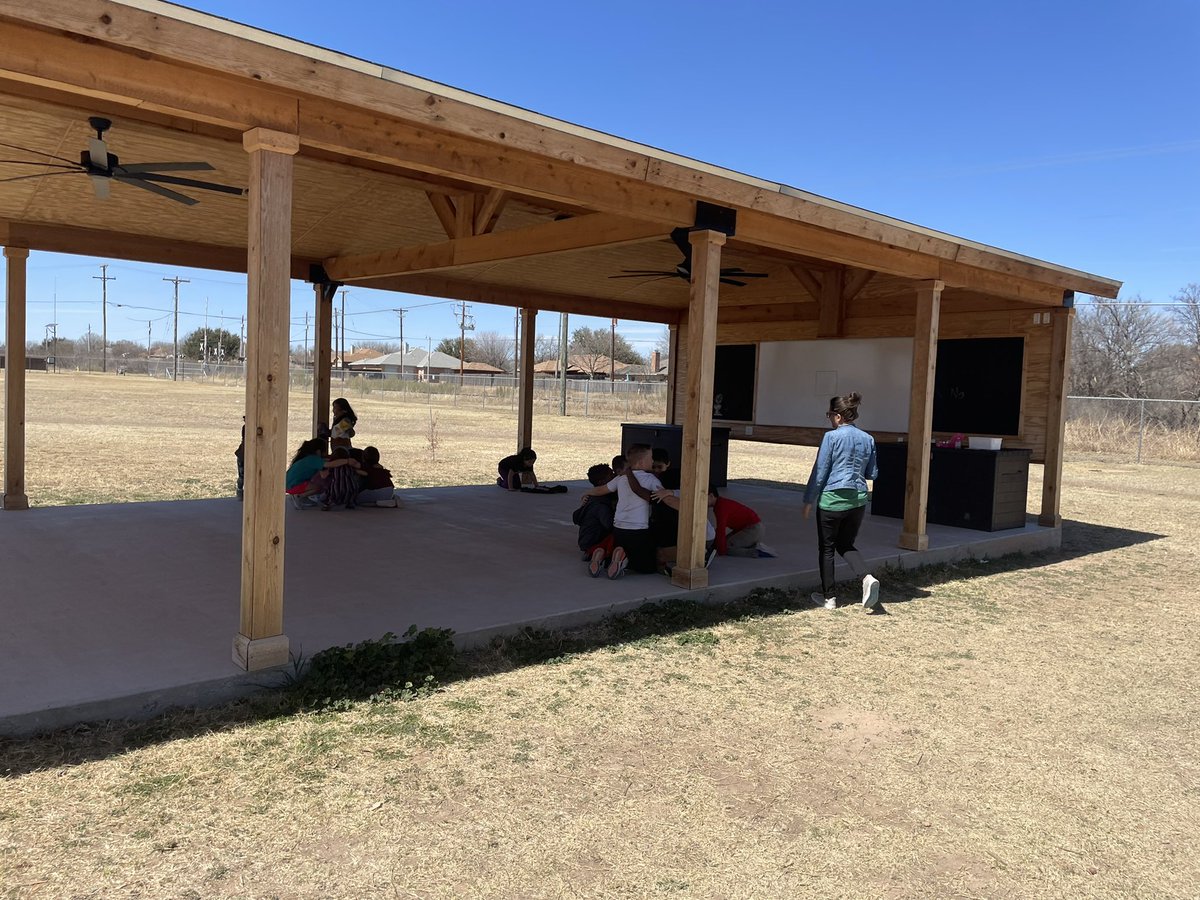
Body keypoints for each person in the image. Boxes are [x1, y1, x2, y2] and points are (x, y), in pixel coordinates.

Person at [803, 392, 881, 611]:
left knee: (827, 548)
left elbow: (820, 472)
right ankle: (866, 578)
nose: (829, 418)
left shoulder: (832, 437)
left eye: (829, 415)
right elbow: (872, 473)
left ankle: (830, 598)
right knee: (845, 544)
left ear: (837, 417)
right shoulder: (868, 439)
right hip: (858, 500)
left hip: (832, 500)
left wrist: (809, 499)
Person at [578, 445, 662, 578]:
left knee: (621, 546)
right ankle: (622, 558)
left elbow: (601, 490)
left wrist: (587, 492)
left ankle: (602, 555)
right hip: (638, 530)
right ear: (641, 463)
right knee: (647, 566)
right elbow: (661, 497)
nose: (653, 461)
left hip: (618, 529)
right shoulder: (651, 480)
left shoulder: (621, 479)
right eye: (651, 458)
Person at [572, 464, 616, 576]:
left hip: (586, 540)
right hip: (592, 541)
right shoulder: (601, 504)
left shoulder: (592, 498)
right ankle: (597, 552)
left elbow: (576, 517)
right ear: (602, 482)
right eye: (611, 475)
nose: (614, 477)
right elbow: (609, 525)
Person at [709, 486, 765, 557]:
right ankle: (751, 544)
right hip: (751, 528)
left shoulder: (721, 507)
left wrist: (721, 551)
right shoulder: (721, 503)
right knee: (723, 543)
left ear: (711, 496)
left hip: (753, 530)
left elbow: (721, 530)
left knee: (727, 547)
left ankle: (756, 552)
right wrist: (715, 545)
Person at [285, 438, 328, 509]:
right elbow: (326, 470)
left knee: (312, 483)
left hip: (287, 485)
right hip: (293, 486)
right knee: (318, 487)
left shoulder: (305, 458)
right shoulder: (313, 459)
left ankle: (299, 495)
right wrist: (346, 461)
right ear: (319, 451)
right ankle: (299, 496)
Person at [234, 416, 245, 501]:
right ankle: (240, 492)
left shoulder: (245, 427)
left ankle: (240, 493)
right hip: (243, 455)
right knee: (242, 476)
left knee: (242, 476)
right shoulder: (246, 428)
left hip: (242, 455)